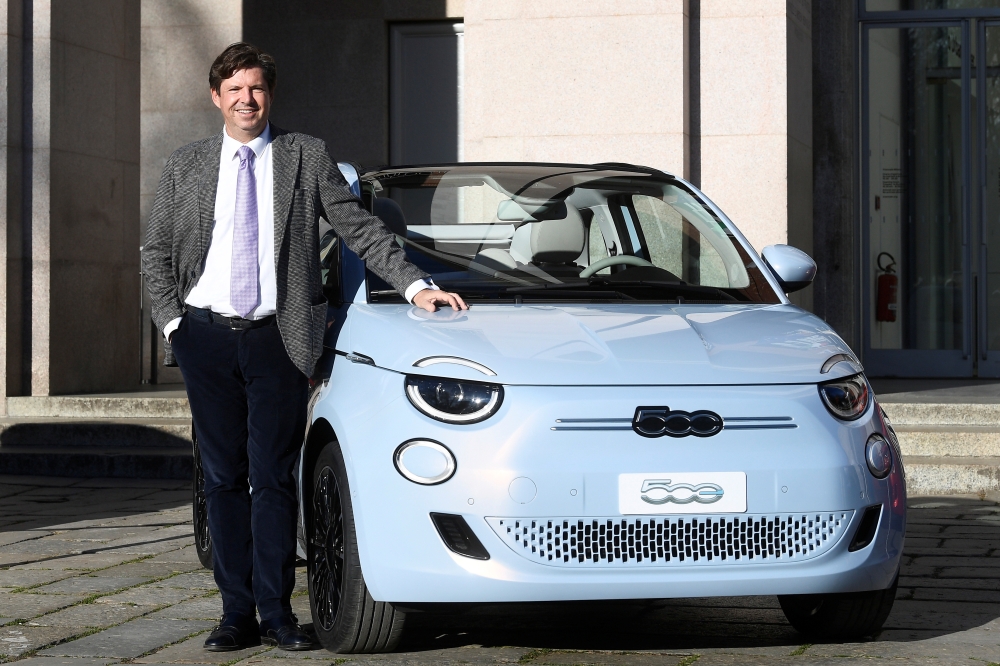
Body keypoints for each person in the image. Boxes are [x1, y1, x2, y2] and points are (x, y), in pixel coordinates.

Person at [141, 42, 466, 652]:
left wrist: (417, 285)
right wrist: (173, 327)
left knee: (273, 480)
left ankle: (277, 614)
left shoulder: (303, 155)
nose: (247, 99)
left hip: (278, 341)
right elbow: (155, 252)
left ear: (270, 95)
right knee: (223, 479)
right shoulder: (186, 164)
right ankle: (234, 613)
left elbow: (359, 228)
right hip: (205, 338)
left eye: (257, 88)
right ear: (216, 98)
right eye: (234, 90)